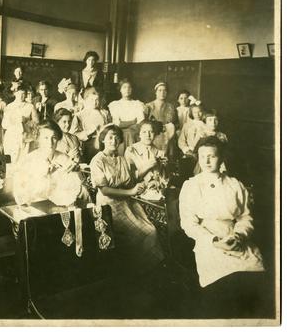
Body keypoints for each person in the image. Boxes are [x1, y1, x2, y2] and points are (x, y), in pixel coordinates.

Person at [179, 136, 265, 317]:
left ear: (221, 158)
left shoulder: (234, 184)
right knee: (222, 286)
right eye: (203, 157)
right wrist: (214, 241)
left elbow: (245, 217)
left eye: (212, 156)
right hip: (206, 240)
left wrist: (239, 235)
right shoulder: (191, 186)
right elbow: (188, 223)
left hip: (234, 236)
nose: (207, 161)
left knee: (254, 276)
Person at [89, 124, 164, 273]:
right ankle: (139, 269)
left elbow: (130, 181)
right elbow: (104, 190)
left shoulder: (122, 159)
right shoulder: (97, 160)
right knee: (147, 232)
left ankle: (146, 268)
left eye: (117, 138)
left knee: (151, 227)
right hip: (108, 206)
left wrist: (141, 184)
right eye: (110, 137)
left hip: (126, 202)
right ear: (103, 139)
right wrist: (131, 192)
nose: (114, 140)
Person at [13, 120, 89, 207]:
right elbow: (20, 196)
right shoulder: (28, 161)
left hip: (62, 207)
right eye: (45, 138)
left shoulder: (64, 159)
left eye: (54, 138)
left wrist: (75, 173)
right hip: (36, 207)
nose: (50, 142)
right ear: (38, 139)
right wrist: (43, 176)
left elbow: (74, 189)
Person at [2, 83, 39, 165]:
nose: (22, 96)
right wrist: (13, 122)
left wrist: (26, 121)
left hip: (25, 136)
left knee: (24, 160)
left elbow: (37, 123)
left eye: (24, 94)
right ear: (15, 93)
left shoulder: (30, 106)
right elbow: (4, 124)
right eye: (19, 93)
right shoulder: (9, 107)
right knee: (11, 160)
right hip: (12, 137)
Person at [71, 87, 111, 163]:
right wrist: (88, 132)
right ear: (86, 100)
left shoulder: (105, 113)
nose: (94, 102)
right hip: (88, 145)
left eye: (97, 100)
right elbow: (73, 134)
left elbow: (110, 128)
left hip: (104, 144)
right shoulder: (80, 115)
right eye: (91, 100)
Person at [108, 79, 146, 155]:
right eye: (124, 87)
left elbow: (140, 122)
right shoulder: (115, 105)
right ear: (120, 90)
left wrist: (127, 124)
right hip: (120, 134)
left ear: (132, 90)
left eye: (129, 87)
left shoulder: (137, 104)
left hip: (134, 134)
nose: (127, 89)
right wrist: (132, 122)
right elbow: (118, 124)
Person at [145, 81, 178, 159]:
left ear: (167, 93)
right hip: (153, 133)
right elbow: (144, 123)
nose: (162, 92)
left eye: (164, 90)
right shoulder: (148, 106)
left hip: (168, 133)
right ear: (155, 92)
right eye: (160, 90)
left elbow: (176, 123)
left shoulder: (171, 107)